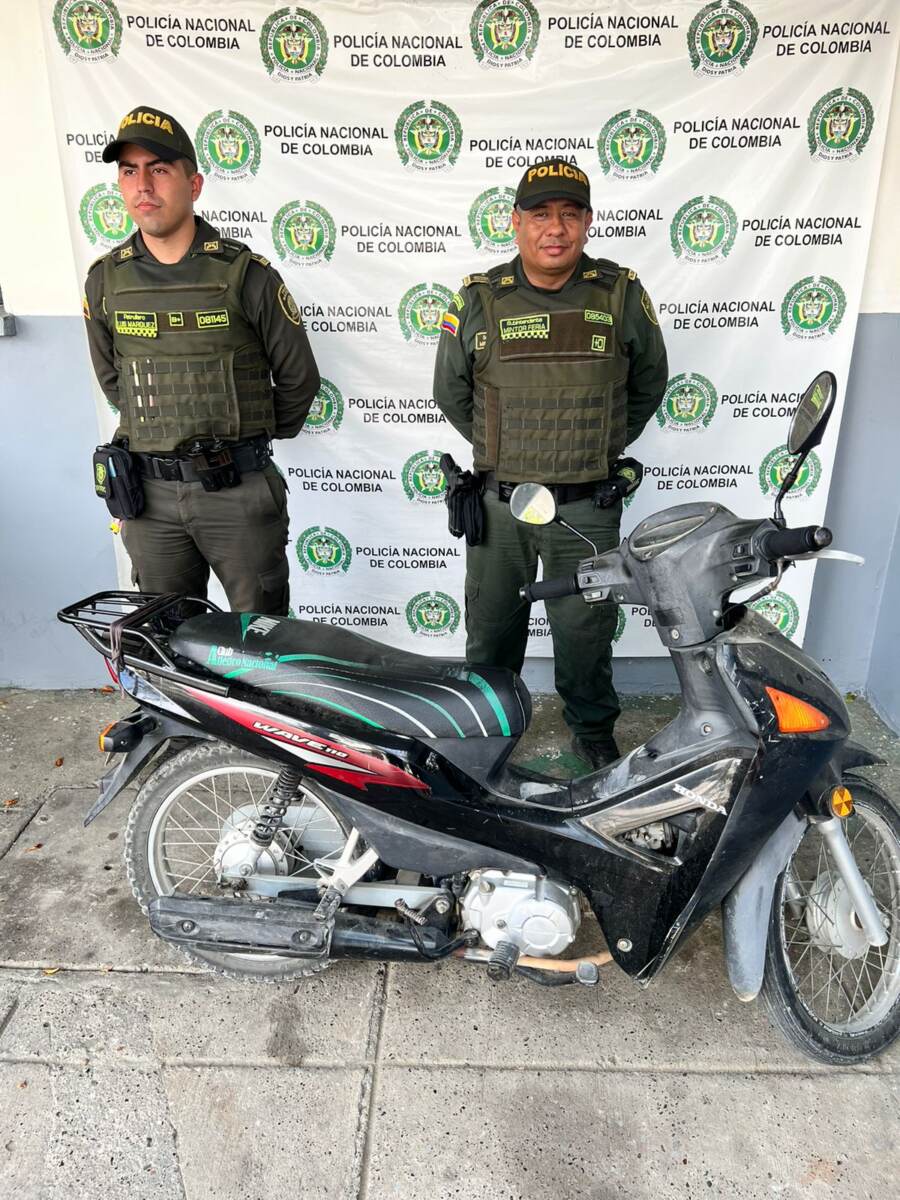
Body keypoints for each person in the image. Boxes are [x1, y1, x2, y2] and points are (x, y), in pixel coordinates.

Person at [433, 159, 668, 768]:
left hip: (586, 507)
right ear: (515, 222)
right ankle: (484, 737)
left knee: (586, 632)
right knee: (492, 632)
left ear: (588, 222)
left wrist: (597, 446)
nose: (555, 228)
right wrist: (503, 450)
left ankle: (593, 733)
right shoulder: (479, 298)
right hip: (499, 505)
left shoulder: (620, 294)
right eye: (540, 214)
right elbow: (451, 392)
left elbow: (649, 383)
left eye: (569, 213)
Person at [82, 106, 320, 614]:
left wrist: (246, 440)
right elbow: (113, 380)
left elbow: (299, 379)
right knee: (166, 638)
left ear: (194, 185)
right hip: (149, 499)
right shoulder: (105, 280)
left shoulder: (245, 274)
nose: (143, 185)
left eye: (159, 169)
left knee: (258, 638)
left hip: (237, 492)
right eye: (129, 171)